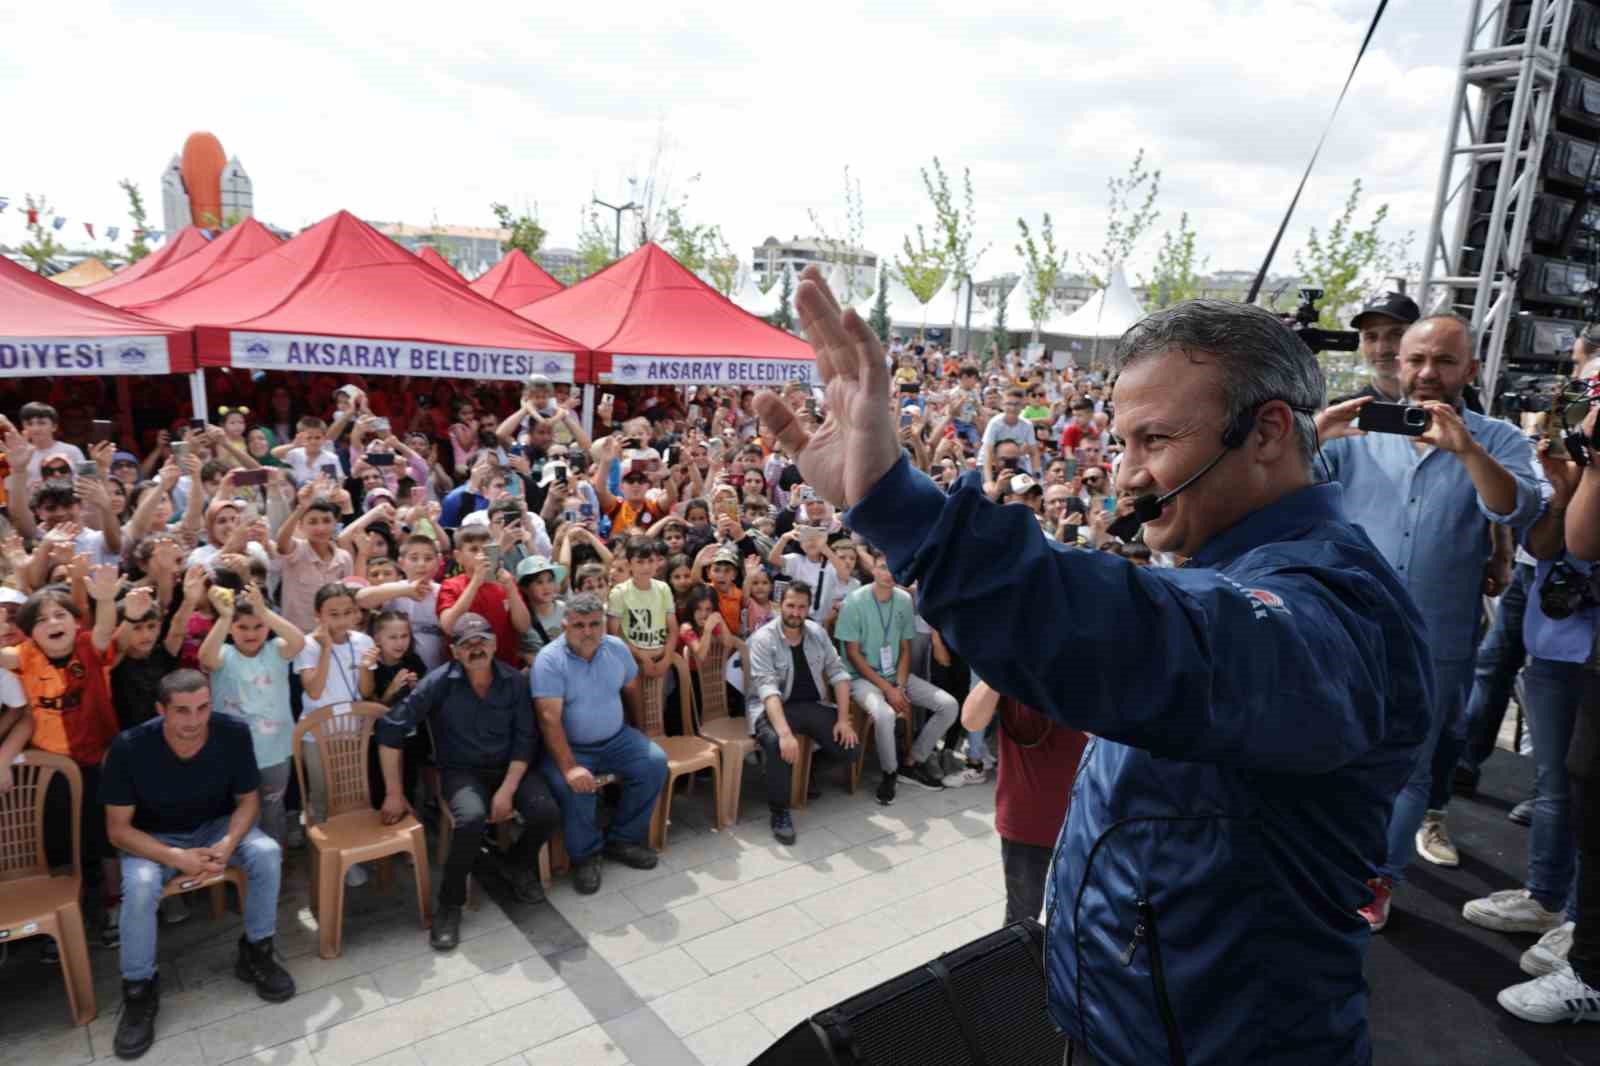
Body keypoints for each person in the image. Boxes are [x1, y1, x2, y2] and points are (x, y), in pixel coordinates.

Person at [753, 271, 1432, 1066]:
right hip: (1129, 1029)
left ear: (1268, 432)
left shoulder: (1336, 609)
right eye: (1121, 443)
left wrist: (908, 512)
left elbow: (1165, 648)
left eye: (1155, 441)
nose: (1125, 475)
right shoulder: (1219, 564)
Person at [1318, 314, 1541, 926]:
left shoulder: (1496, 439)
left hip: (1436, 639)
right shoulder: (1357, 430)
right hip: (1348, 632)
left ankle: (1374, 882)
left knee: (1410, 768)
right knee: (1332, 753)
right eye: (1414, 360)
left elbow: (1519, 507)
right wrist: (1314, 435)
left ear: (1470, 369)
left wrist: (1467, 451)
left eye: (1443, 362)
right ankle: (1324, 864)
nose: (1425, 374)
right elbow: (1280, 487)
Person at [102, 669, 294, 1060]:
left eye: (203, 708)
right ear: (161, 710)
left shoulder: (233, 733)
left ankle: (257, 952)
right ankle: (139, 991)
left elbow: (249, 802)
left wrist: (227, 843)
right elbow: (118, 831)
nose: (194, 721)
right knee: (138, 887)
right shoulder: (129, 747)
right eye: (182, 711)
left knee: (267, 853)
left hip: (216, 828)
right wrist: (176, 857)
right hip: (154, 839)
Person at [1494, 387, 1600, 1023]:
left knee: (1586, 787)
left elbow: (1584, 543)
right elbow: (1560, 541)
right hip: (1564, 639)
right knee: (1565, 782)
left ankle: (1585, 949)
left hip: (1582, 644)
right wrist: (1567, 485)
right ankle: (1553, 903)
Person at [377, 613, 560, 949]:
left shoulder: (514, 681)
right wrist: (393, 791)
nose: (477, 649)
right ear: (455, 651)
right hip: (462, 773)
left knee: (546, 811)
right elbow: (390, 729)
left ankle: (514, 865)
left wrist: (507, 789)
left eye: (483, 641)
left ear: (494, 644)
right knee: (471, 819)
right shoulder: (439, 682)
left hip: (511, 768)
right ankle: (450, 904)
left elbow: (525, 739)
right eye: (468, 644)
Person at [533, 594, 668, 895]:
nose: (588, 631)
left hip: (617, 738)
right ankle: (585, 856)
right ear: (565, 625)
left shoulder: (616, 649)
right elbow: (549, 721)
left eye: (595, 624)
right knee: (577, 785)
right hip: (570, 747)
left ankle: (623, 839)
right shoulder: (550, 660)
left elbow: (632, 689)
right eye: (579, 625)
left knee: (654, 762)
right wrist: (569, 768)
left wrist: (642, 731)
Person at [834, 551, 958, 801]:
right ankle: (889, 771)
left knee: (949, 705)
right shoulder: (854, 601)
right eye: (882, 567)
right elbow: (853, 654)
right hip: (861, 678)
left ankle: (912, 761)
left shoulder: (903, 599)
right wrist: (887, 689)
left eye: (894, 569)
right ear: (873, 570)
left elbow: (904, 648)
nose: (888, 574)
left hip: (896, 675)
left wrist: (899, 686)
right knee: (885, 714)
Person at [961, 680, 1086, 925]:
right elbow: (971, 720)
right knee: (1022, 920)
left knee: (1078, 917)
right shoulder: (1013, 668)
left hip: (1084, 820)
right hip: (1026, 818)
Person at [745, 581, 859, 845]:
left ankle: (807, 773)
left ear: (809, 608)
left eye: (802, 607)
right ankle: (780, 812)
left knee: (850, 748)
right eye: (790, 606)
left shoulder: (817, 633)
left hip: (809, 704)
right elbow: (768, 690)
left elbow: (838, 674)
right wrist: (784, 734)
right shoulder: (764, 639)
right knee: (776, 744)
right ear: (779, 606)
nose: (796, 612)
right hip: (772, 707)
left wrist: (843, 719)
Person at [1330, 292, 1418, 405]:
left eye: (1396, 335)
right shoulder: (1345, 411)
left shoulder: (1441, 407)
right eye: (1371, 337)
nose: (1381, 350)